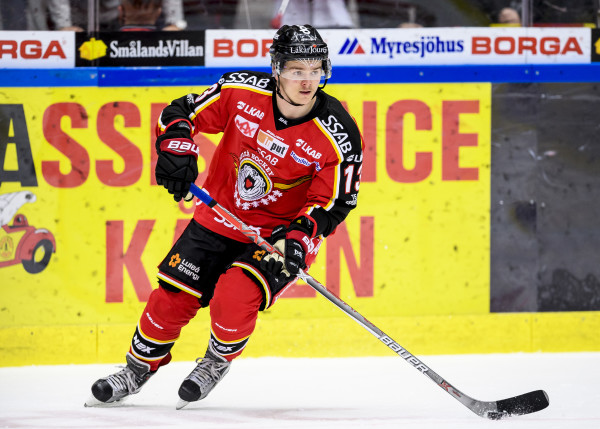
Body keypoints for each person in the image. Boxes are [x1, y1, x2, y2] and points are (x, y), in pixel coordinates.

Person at [85, 24, 364, 409]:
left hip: (278, 236)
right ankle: (135, 370)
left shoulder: (339, 132)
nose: (307, 80)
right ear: (277, 68)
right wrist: (178, 150)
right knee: (171, 299)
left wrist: (300, 237)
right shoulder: (241, 91)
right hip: (217, 219)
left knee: (234, 294)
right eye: (297, 70)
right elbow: (181, 113)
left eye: (316, 70)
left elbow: (335, 200)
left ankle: (216, 361)